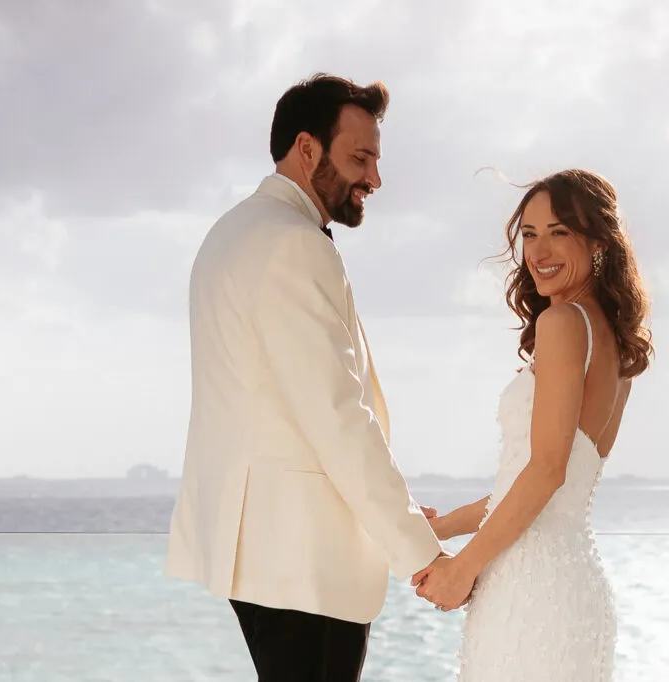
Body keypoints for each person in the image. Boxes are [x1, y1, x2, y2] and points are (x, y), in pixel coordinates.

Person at [164, 73, 453, 682]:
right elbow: (336, 416)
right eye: (360, 158)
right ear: (307, 148)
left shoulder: (231, 232)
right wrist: (421, 553)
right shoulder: (292, 244)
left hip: (262, 551)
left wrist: (395, 514)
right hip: (303, 559)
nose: (374, 178)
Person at [413, 169, 653, 681]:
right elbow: (535, 482)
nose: (539, 251)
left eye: (558, 232)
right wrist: (439, 528)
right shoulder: (615, 348)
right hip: (571, 587)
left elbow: (546, 472)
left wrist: (462, 567)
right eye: (529, 234)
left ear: (597, 242)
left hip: (529, 588)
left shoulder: (563, 323)